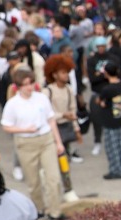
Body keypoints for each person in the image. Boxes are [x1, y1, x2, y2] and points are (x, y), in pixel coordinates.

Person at [1, 69, 66, 220]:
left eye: (31, 83)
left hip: (46, 140)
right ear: (18, 86)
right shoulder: (12, 104)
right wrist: (25, 129)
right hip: (25, 143)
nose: (29, 87)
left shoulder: (41, 98)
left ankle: (55, 213)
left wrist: (58, 142)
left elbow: (51, 120)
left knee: (53, 178)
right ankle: (39, 210)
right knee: (33, 182)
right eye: (25, 85)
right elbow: (6, 126)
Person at [42, 54, 81, 201]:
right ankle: (56, 188)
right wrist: (63, 115)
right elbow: (46, 114)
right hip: (52, 130)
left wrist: (76, 128)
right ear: (54, 74)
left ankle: (67, 188)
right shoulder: (47, 92)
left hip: (66, 129)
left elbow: (73, 110)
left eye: (67, 72)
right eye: (63, 72)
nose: (66, 75)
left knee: (65, 160)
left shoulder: (69, 89)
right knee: (53, 161)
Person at [96, 62, 121, 180]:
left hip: (109, 121)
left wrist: (102, 102)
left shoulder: (107, 89)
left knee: (111, 147)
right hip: (118, 118)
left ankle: (115, 170)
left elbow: (100, 101)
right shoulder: (120, 84)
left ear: (107, 73)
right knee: (120, 145)